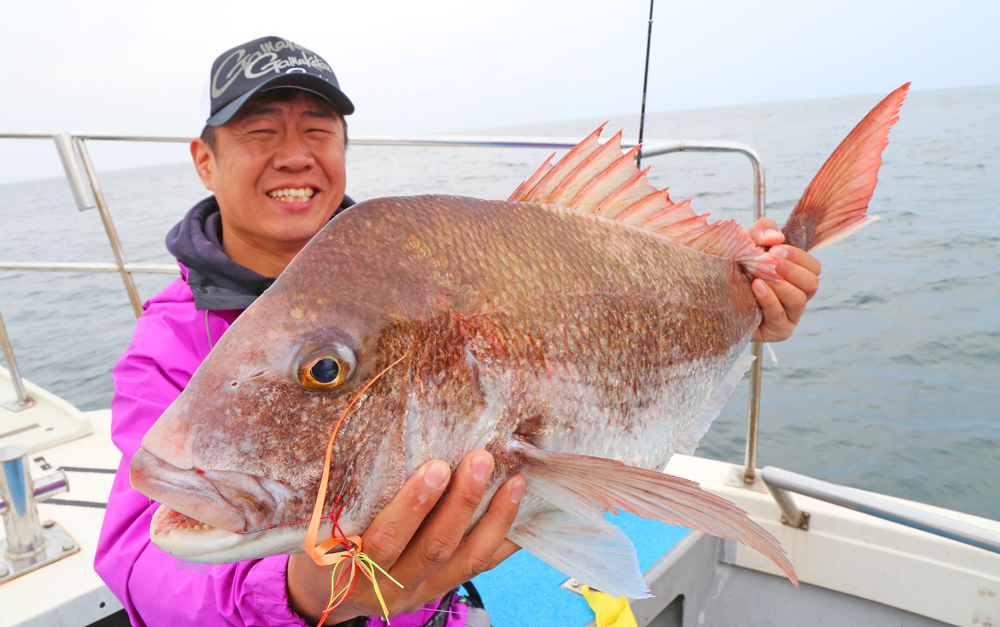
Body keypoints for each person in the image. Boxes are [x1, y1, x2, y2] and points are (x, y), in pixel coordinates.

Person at [95, 36, 820, 627]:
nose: (293, 153)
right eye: (260, 132)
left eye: (317, 130)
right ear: (204, 159)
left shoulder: (416, 269)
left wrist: (755, 302)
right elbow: (138, 561)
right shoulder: (166, 341)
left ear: (343, 148)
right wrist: (305, 594)